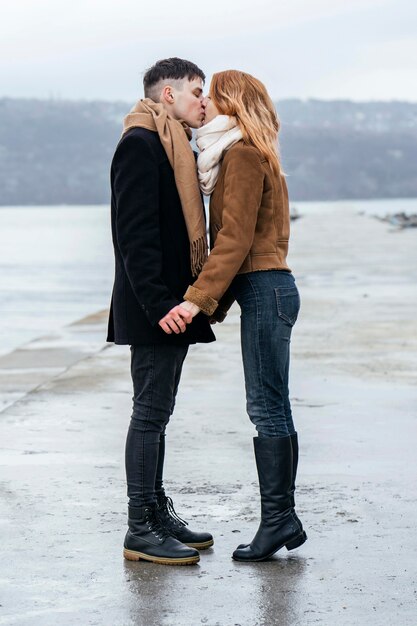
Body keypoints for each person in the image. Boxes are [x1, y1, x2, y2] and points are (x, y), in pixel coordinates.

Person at [179, 70, 307, 561]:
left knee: (266, 406)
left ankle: (277, 520)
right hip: (265, 288)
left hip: (265, 288)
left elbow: (233, 240)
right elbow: (243, 242)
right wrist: (214, 304)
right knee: (275, 404)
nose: (205, 101)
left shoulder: (244, 156)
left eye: (212, 93)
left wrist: (198, 299)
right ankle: (284, 518)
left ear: (232, 102)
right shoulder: (242, 153)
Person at [107, 58, 215, 566]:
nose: (204, 100)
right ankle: (138, 528)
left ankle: (156, 511)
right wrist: (161, 305)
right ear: (167, 94)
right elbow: (133, 237)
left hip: (172, 303)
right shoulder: (140, 145)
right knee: (149, 413)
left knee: (159, 414)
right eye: (196, 91)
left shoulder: (175, 147)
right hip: (157, 306)